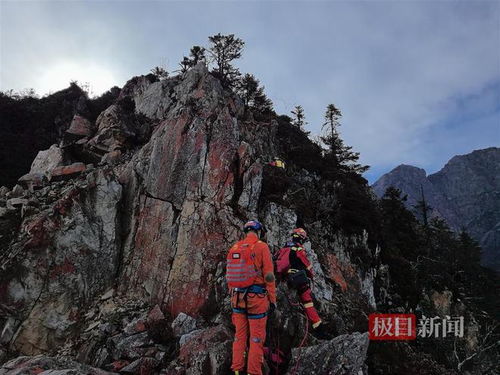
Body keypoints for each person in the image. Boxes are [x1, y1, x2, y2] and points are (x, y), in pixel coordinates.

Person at [226, 220, 277, 375]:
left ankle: (236, 369)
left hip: (237, 298)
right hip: (256, 299)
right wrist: (273, 300)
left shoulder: (235, 247)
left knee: (239, 336)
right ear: (259, 231)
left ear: (246, 231)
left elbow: (231, 275)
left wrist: (233, 295)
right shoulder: (262, 247)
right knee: (256, 339)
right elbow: (269, 276)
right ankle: (253, 372)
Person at [275, 228, 326, 338]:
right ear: (302, 238)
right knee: (307, 301)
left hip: (284, 279)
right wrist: (311, 275)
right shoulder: (298, 248)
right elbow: (306, 264)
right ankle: (319, 328)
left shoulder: (284, 248)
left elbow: (277, 262)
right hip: (298, 280)